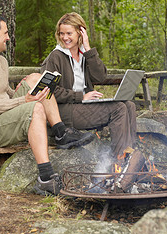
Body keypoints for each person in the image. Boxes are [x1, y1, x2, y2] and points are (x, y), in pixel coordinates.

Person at [0, 13, 94, 195]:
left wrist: (24, 90)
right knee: (34, 108)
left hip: (1, 118)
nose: (8, 37)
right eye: (4, 33)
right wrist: (24, 100)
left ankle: (61, 133)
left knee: (38, 79)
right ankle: (46, 178)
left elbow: (4, 94)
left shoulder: (1, 61)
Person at [40, 12, 137, 164]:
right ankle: (119, 161)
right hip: (64, 110)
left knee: (129, 105)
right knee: (118, 108)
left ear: (81, 32)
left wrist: (88, 49)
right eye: (62, 33)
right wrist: (80, 96)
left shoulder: (84, 55)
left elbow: (100, 77)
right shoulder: (55, 57)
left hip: (82, 107)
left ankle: (129, 153)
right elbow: (47, 91)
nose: (65, 37)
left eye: (69, 33)